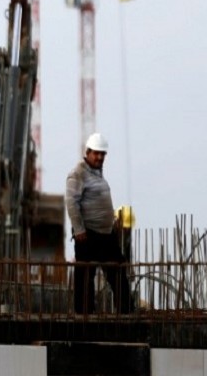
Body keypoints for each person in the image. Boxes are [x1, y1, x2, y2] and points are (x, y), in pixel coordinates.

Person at [65, 132, 132, 315]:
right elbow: (71, 203)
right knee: (86, 274)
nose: (100, 157)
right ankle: (84, 315)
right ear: (87, 152)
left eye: (102, 154)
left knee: (117, 270)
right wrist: (79, 229)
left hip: (106, 234)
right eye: (96, 153)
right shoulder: (77, 174)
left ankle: (126, 311)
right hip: (87, 234)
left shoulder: (97, 175)